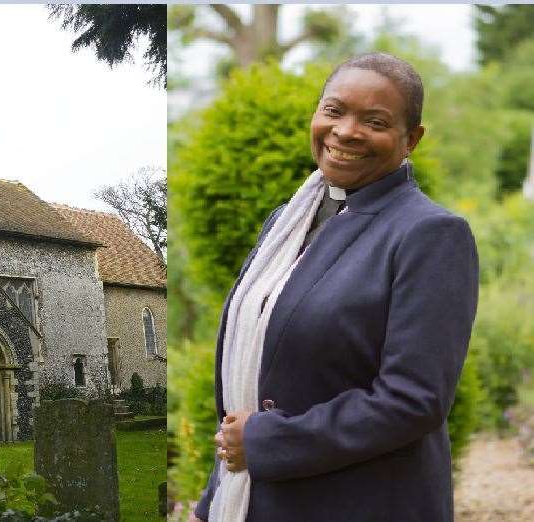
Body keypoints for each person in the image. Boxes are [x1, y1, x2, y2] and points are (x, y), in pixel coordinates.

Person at [190, 53, 479, 522]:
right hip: (255, 502)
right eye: (334, 110)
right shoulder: (285, 225)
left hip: (361, 503)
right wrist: (211, 501)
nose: (345, 131)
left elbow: (413, 400)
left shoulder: (430, 234)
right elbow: (249, 380)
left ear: (412, 140)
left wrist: (265, 441)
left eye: (375, 121)